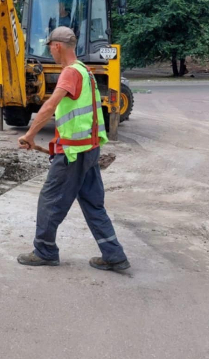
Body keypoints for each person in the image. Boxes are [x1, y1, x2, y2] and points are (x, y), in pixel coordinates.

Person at [16, 26, 129, 271]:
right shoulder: (86, 72)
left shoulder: (69, 73)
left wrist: (29, 135)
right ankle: (114, 254)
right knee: (92, 203)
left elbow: (48, 107)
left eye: (50, 47)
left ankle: (44, 251)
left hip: (74, 153)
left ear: (57, 46)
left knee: (50, 200)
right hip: (89, 149)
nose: (50, 52)